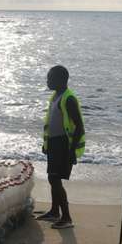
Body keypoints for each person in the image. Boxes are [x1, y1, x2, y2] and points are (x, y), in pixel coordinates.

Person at [36, 65, 85, 229]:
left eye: (50, 78)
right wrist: (47, 144)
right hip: (54, 143)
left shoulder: (68, 98)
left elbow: (79, 127)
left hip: (64, 145)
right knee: (52, 177)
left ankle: (67, 217)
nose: (47, 81)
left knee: (55, 179)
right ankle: (54, 211)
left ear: (61, 80)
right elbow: (53, 122)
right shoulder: (55, 96)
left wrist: (71, 151)